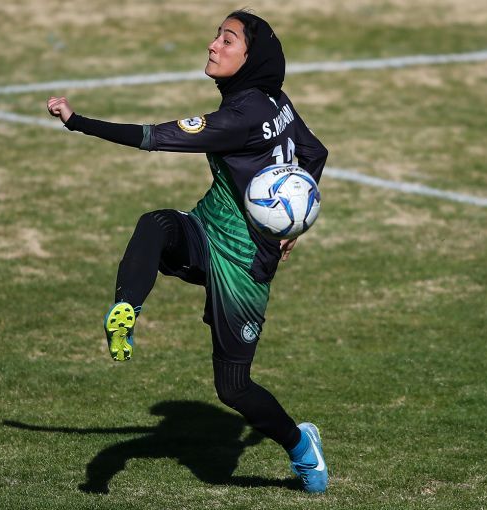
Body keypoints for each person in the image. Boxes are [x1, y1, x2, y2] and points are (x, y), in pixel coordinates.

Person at [47, 10, 329, 493]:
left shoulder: (239, 117)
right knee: (157, 224)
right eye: (217, 36)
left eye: (227, 40)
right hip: (206, 232)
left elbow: (151, 137)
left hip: (243, 267)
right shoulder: (274, 101)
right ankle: (125, 310)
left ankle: (302, 444)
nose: (213, 45)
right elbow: (316, 153)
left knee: (234, 389)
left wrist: (78, 122)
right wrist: (295, 222)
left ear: (250, 57)